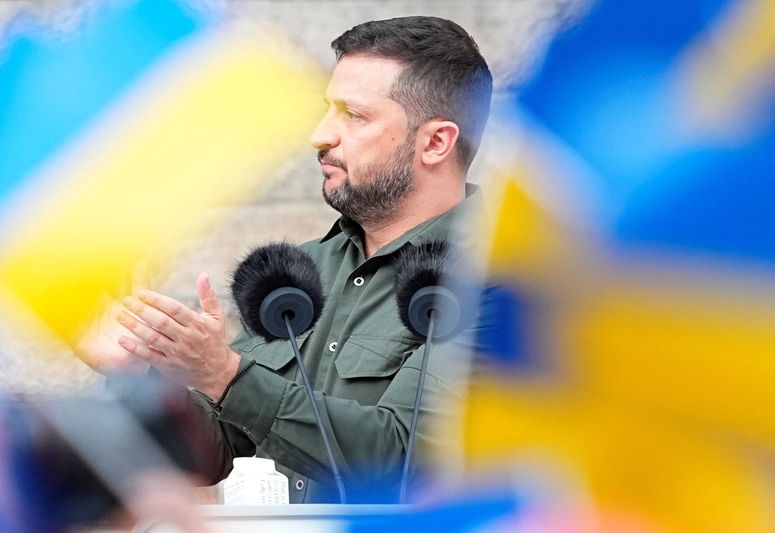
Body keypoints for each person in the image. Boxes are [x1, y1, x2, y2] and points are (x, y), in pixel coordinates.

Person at [78, 16, 492, 503]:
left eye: (353, 116)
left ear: (436, 142)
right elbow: (216, 450)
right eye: (326, 111)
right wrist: (138, 373)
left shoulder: (499, 280)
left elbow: (402, 460)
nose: (321, 135)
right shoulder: (297, 275)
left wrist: (225, 375)